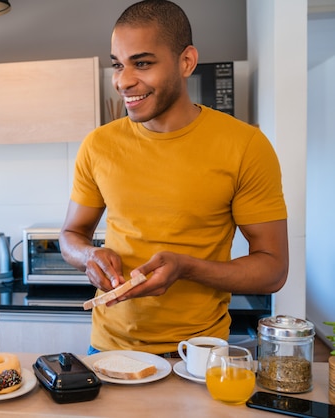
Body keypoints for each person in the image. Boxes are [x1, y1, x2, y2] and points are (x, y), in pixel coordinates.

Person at [59, 0, 288, 356]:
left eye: (143, 63)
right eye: (118, 64)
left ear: (186, 62)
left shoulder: (245, 146)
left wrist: (186, 268)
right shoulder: (98, 145)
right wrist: (89, 255)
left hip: (199, 354)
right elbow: (71, 235)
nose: (123, 81)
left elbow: (273, 269)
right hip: (108, 350)